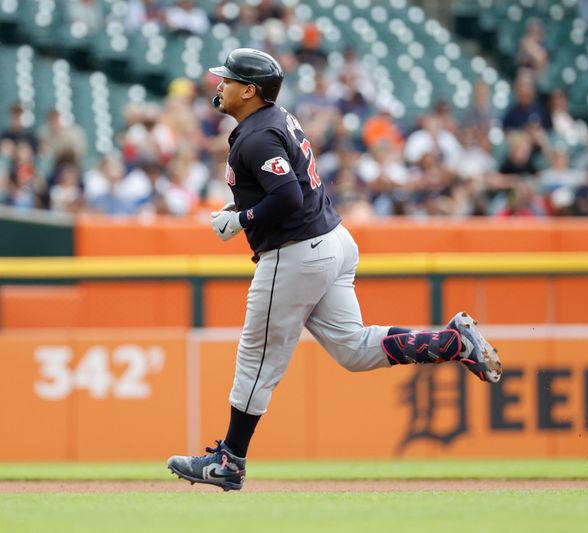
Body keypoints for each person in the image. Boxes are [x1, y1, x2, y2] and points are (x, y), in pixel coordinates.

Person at [166, 48, 503, 491]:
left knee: (257, 357)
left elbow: (287, 196)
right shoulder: (273, 119)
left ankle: (230, 460)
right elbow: (288, 188)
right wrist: (244, 207)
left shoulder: (257, 136)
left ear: (249, 91)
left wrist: (242, 219)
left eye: (227, 80)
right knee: (354, 349)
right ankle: (453, 342)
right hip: (332, 242)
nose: (219, 85)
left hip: (298, 252)